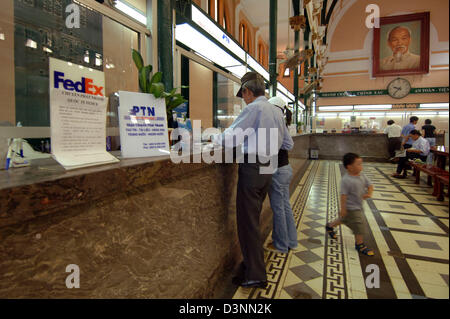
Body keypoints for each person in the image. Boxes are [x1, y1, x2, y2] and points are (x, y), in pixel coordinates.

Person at [212, 72, 294, 289]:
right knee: (252, 220)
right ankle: (248, 267)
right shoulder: (276, 111)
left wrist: (212, 138)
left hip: (253, 167)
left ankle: (256, 274)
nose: (243, 99)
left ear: (248, 91)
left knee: (247, 223)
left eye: (243, 95)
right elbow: (288, 143)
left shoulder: (254, 108)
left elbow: (230, 138)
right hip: (269, 167)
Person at [265, 96, 298, 254]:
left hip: (277, 170)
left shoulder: (272, 123)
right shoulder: (282, 123)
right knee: (285, 207)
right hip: (286, 168)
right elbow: (289, 144)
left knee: (279, 208)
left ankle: (281, 244)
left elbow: (285, 145)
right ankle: (291, 241)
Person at [325, 153, 375, 256]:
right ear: (349, 167)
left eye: (361, 164)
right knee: (359, 225)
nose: (361, 167)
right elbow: (343, 195)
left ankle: (330, 226)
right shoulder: (346, 180)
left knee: (344, 219)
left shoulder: (362, 175)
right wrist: (343, 208)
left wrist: (369, 193)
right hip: (351, 207)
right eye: (358, 164)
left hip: (359, 205)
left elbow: (370, 185)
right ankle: (360, 244)